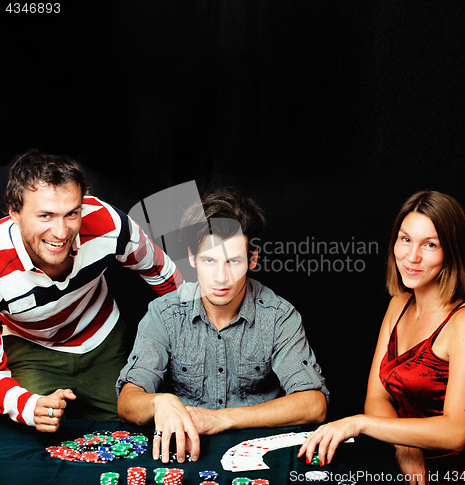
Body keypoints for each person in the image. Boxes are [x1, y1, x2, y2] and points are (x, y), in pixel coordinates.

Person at [116, 187, 329, 464]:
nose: (220, 277)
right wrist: (160, 403)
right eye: (209, 260)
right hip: (182, 457)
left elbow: (314, 403)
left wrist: (220, 419)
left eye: (234, 261)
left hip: (259, 455)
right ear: (192, 257)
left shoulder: (278, 315)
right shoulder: (164, 313)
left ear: (252, 259)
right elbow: (127, 403)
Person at [298, 190, 465, 484]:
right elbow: (376, 397)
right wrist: (405, 444)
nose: (411, 256)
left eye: (430, 244)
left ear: (452, 250)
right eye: (405, 239)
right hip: (396, 465)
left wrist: (361, 424)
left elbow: (455, 431)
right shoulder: (398, 305)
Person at [0, 149, 182, 432]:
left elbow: (166, 277)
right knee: (31, 439)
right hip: (31, 349)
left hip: (103, 340)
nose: (61, 232)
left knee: (129, 436)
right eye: (45, 215)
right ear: (14, 212)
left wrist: (188, 342)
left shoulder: (109, 224)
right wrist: (23, 404)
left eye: (72, 213)